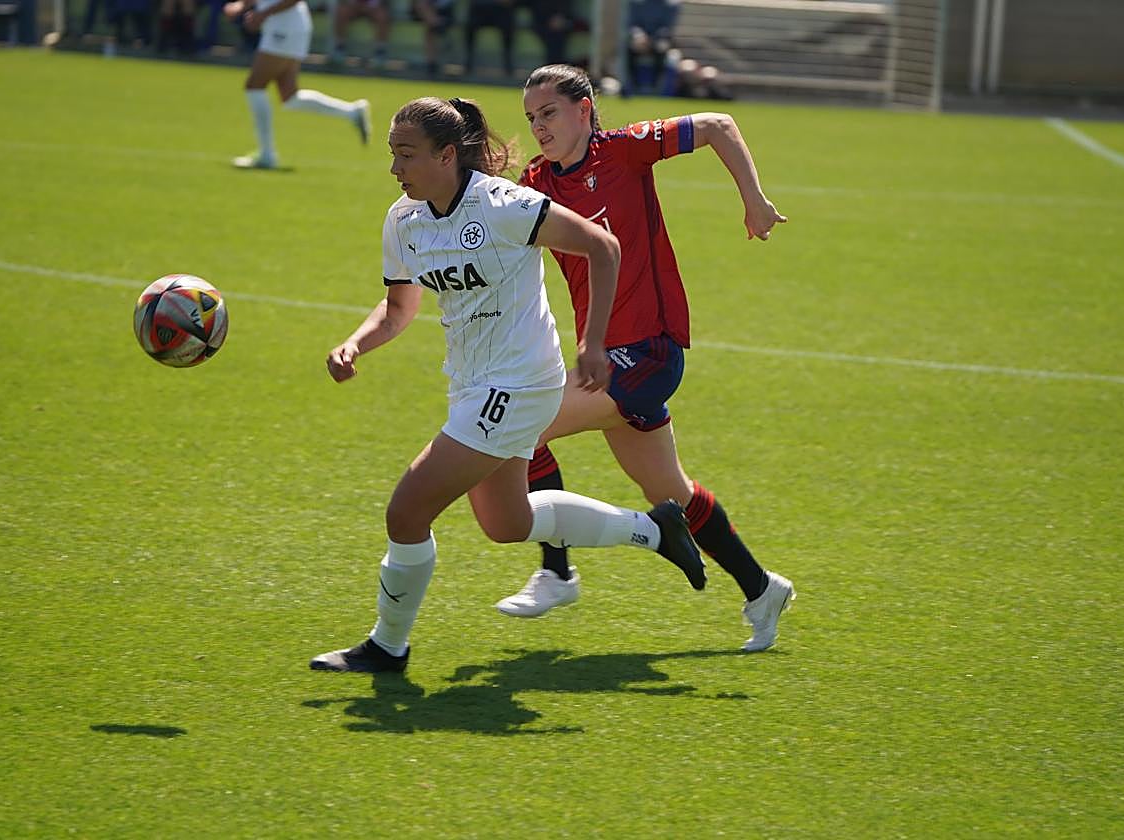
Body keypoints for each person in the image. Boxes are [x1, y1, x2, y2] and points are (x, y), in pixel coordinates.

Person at [309, 96, 706, 674]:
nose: (395, 169)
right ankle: (653, 528)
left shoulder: (504, 205)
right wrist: (354, 344)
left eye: (406, 155)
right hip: (472, 384)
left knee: (407, 511)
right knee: (507, 523)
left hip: (520, 384)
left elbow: (603, 245)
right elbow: (398, 308)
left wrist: (592, 344)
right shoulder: (404, 219)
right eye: (392, 155)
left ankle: (387, 646)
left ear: (448, 155)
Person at [497, 64, 794, 653]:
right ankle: (762, 588)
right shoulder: (537, 181)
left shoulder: (624, 151)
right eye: (532, 118)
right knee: (673, 490)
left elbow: (717, 122)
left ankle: (557, 572)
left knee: (520, 427)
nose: (539, 127)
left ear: (584, 110)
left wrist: (754, 199)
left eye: (549, 113)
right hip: (608, 364)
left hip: (651, 352)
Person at [222, 0, 370, 169]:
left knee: (254, 86)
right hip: (286, 26)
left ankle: (266, 154)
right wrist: (241, 6)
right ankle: (352, 112)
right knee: (290, 96)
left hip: (285, 27)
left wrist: (262, 14)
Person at [330, 0, 390, 68]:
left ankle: (380, 52)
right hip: (354, 6)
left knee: (382, 16)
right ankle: (339, 48)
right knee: (342, 12)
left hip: (374, 7)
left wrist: (370, 6)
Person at [411, 0, 455, 78]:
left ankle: (431, 64)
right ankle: (439, 28)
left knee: (430, 30)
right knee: (422, 5)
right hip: (426, 10)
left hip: (443, 11)